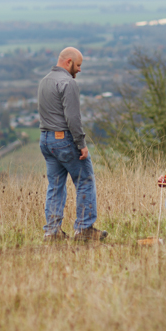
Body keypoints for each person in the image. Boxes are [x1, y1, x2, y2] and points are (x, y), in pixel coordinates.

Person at [38, 46, 107, 241]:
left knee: (55, 185)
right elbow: (73, 118)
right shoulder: (68, 83)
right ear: (68, 62)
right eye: (78, 65)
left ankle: (51, 232)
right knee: (85, 180)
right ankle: (84, 230)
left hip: (46, 139)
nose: (79, 70)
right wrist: (81, 143)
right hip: (64, 139)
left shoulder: (44, 81)